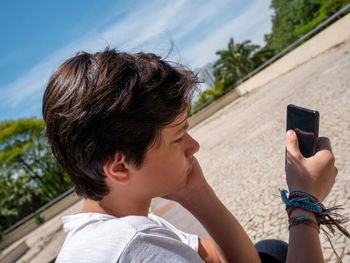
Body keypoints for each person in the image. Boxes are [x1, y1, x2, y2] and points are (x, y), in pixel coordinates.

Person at [43, 48, 338, 263]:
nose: (193, 146)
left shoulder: (106, 230)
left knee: (270, 251)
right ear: (119, 168)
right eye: (178, 136)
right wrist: (304, 202)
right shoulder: (135, 247)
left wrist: (197, 194)